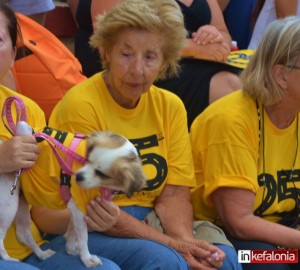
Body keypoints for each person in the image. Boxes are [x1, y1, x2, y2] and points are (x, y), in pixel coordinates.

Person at [45, 0, 242, 269]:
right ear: (106, 52)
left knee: (225, 261)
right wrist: (176, 247)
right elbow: (97, 210)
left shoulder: (170, 106)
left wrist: (188, 244)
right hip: (84, 227)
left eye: (150, 57)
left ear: (165, 61)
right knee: (166, 261)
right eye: (126, 55)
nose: (137, 70)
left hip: (152, 219)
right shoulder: (82, 106)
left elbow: (173, 194)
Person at [0, 3, 121, 270]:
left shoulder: (27, 110)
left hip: (27, 247)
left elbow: (42, 202)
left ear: (12, 56)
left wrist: (88, 210)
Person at [190, 16, 300, 270]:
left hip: (281, 229)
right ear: (281, 75)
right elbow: (238, 221)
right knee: (272, 263)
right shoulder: (232, 120)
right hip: (221, 239)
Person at [154, 0, 242, 128]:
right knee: (231, 90)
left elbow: (224, 35)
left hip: (204, 63)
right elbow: (122, 36)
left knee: (253, 85)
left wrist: (213, 36)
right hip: (161, 68)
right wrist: (193, 48)